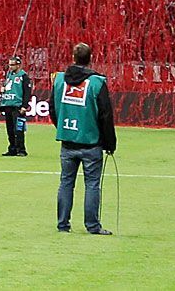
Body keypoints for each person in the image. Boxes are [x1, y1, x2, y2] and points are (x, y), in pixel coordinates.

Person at [50, 43, 117, 235]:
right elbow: (106, 115)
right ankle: (92, 225)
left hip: (67, 141)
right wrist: (109, 143)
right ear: (90, 58)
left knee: (66, 183)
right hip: (90, 143)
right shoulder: (96, 82)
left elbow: (53, 109)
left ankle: (63, 224)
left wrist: (62, 127)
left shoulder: (60, 80)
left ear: (72, 56)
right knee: (92, 184)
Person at [0, 54, 31, 156]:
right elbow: (5, 88)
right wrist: (2, 89)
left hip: (18, 106)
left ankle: (21, 149)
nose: (10, 67)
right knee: (10, 129)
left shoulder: (23, 76)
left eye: (12, 65)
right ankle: (12, 148)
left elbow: (27, 92)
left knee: (18, 129)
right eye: (9, 65)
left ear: (18, 65)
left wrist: (24, 106)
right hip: (8, 104)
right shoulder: (8, 76)